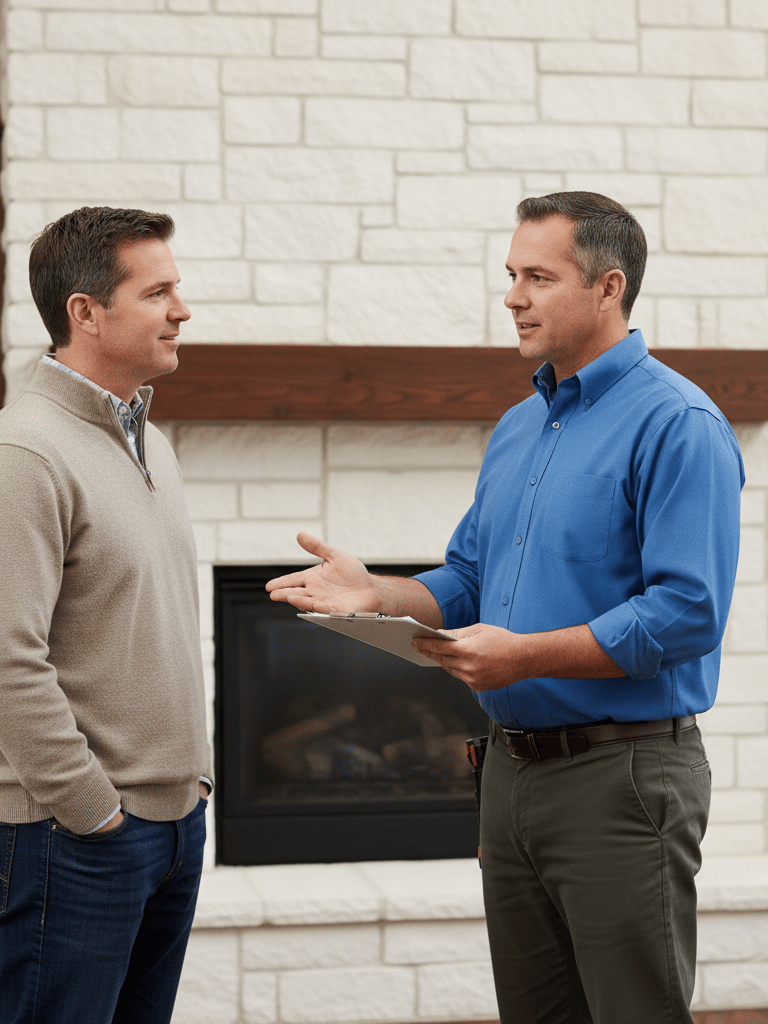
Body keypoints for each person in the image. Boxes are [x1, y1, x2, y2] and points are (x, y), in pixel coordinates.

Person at [267, 192, 744, 1024]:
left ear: (608, 287)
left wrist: (526, 657)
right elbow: (467, 578)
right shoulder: (519, 427)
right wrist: (378, 593)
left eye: (537, 276)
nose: (512, 296)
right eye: (510, 275)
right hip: (513, 776)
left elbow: (687, 613)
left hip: (622, 779)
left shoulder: (679, 424)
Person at [0, 206, 212, 1024]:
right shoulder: (24, 453)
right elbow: (9, 659)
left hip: (172, 827)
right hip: (72, 839)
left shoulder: (148, 439)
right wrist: (93, 810)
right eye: (158, 291)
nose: (181, 309)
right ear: (86, 311)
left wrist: (188, 791)